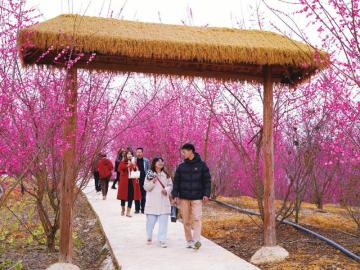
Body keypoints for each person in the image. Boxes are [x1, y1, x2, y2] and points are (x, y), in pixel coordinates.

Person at [172, 143, 211, 250]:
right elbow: (176, 182)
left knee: (197, 218)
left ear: (190, 151)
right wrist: (175, 195)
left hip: (197, 197)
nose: (182, 154)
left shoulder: (202, 165)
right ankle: (189, 240)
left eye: (184, 152)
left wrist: (206, 194)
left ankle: (196, 240)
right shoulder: (181, 167)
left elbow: (207, 181)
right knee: (186, 221)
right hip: (184, 198)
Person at [143, 157, 173, 248]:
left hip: (163, 201)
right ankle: (149, 236)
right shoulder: (150, 174)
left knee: (163, 223)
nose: (161, 163)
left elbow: (170, 185)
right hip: (152, 202)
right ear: (154, 163)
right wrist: (153, 181)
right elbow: (146, 188)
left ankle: (162, 240)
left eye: (162, 161)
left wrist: (167, 190)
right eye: (158, 161)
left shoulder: (166, 175)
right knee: (150, 222)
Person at [117, 150, 142, 217]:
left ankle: (128, 212)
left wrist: (134, 167)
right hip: (124, 182)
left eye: (131, 154)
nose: (129, 155)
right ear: (126, 155)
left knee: (131, 196)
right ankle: (123, 209)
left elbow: (136, 170)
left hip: (132, 181)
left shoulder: (134, 162)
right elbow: (119, 169)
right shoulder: (122, 162)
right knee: (123, 197)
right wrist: (127, 165)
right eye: (128, 154)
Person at [135, 147, 150, 214]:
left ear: (142, 153)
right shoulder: (134, 161)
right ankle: (137, 209)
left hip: (144, 179)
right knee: (136, 194)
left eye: (140, 152)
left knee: (143, 195)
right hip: (136, 179)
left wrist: (149, 179)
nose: (139, 153)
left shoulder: (146, 161)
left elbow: (148, 170)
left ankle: (143, 208)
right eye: (137, 152)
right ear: (136, 153)